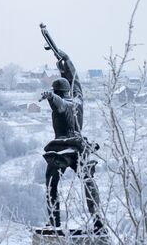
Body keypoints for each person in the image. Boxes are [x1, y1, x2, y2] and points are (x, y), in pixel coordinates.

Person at [40, 50, 104, 233]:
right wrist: (66, 61)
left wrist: (50, 97)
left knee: (51, 183)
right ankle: (98, 221)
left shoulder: (62, 103)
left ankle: (54, 222)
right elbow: (76, 80)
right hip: (80, 148)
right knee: (88, 181)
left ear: (56, 91)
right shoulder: (78, 100)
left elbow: (58, 103)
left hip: (62, 150)